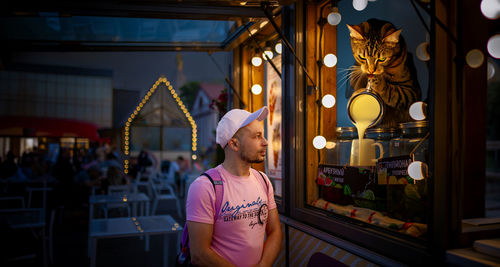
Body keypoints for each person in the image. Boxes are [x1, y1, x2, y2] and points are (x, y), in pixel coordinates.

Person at [186, 106, 282, 267]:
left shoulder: (263, 180)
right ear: (234, 144)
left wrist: (264, 264)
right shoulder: (205, 187)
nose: (265, 142)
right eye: (257, 136)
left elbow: (275, 231)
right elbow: (199, 254)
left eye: (263, 136)